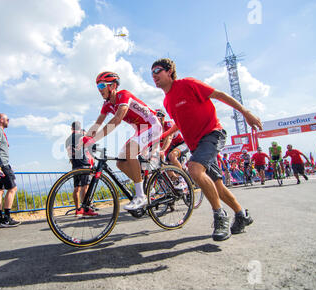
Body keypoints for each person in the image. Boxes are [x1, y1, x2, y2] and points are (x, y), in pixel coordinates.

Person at [151, 58, 262, 241]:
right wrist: (163, 136)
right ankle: (242, 215)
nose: (154, 75)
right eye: (152, 73)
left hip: (212, 134)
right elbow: (179, 123)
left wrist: (246, 113)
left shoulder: (188, 84)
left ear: (169, 71)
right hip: (197, 145)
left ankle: (220, 216)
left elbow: (220, 95)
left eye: (157, 70)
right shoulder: (167, 101)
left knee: (194, 168)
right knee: (216, 186)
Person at [85, 71, 162, 211]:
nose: (100, 89)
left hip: (152, 126)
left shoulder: (123, 95)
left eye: (102, 85)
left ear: (113, 85)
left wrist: (94, 139)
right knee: (121, 162)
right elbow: (97, 124)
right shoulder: (107, 104)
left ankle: (140, 196)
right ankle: (144, 188)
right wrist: (84, 139)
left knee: (129, 151)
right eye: (98, 86)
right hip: (140, 130)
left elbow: (117, 120)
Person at [0, 113, 20, 227]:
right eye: (7, 119)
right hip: (2, 165)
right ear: (1, 120)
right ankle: (7, 218)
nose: (9, 121)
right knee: (12, 188)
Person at [65, 121, 98, 217]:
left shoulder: (67, 139)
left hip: (74, 165)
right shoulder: (81, 136)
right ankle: (85, 208)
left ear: (71, 128)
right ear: (80, 128)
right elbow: (93, 146)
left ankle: (78, 209)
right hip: (83, 164)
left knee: (76, 188)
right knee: (85, 186)